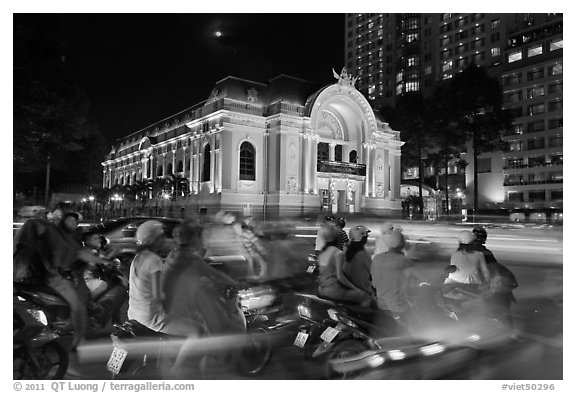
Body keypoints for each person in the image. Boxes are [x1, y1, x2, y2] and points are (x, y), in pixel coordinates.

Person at [163, 219, 245, 376]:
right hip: (181, 309)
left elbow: (191, 277)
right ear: (193, 238)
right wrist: (237, 283)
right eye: (199, 237)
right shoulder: (190, 258)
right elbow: (214, 273)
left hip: (170, 304)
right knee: (211, 327)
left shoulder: (174, 255)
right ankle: (180, 369)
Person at [127, 220, 201, 338]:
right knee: (196, 331)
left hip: (133, 314)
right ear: (154, 239)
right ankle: (181, 357)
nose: (164, 240)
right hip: (151, 317)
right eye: (161, 237)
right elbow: (158, 295)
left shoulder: (138, 257)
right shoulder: (153, 259)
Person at [472, 225, 518, 328]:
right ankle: (508, 330)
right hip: (480, 286)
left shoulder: (462, 253)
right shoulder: (485, 253)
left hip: (474, 285)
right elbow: (495, 268)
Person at [371, 230, 422, 321]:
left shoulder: (377, 258)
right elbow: (416, 280)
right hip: (399, 307)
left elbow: (374, 283)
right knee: (418, 321)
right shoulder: (403, 260)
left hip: (381, 306)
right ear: (402, 244)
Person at [317, 224, 370, 306]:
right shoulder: (338, 253)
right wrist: (356, 289)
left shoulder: (322, 252)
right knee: (364, 297)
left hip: (322, 289)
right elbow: (340, 276)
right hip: (334, 290)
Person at [343, 225, 375, 302]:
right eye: (366, 236)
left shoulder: (346, 250)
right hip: (363, 292)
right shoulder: (362, 254)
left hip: (349, 290)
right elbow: (374, 272)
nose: (367, 238)